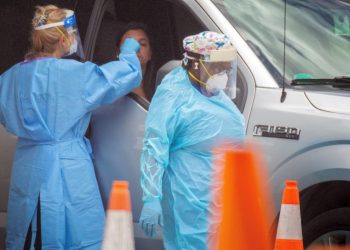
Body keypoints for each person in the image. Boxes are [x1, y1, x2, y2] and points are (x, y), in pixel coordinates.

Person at [0, 5, 142, 250]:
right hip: (67, 167)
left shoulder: (10, 77)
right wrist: (129, 53)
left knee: (30, 236)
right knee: (73, 236)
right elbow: (121, 77)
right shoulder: (74, 74)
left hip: (29, 165)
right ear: (64, 38)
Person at [139, 31, 245, 249]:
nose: (224, 72)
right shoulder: (174, 93)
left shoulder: (211, 91)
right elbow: (154, 145)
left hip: (217, 194)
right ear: (196, 65)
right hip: (188, 194)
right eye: (218, 66)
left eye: (227, 66)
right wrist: (151, 197)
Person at [116, 22, 155, 101]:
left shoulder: (160, 90)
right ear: (118, 53)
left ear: (150, 53)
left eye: (142, 44)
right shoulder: (109, 89)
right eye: (129, 45)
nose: (136, 48)